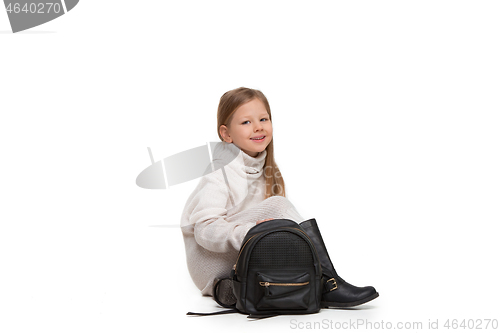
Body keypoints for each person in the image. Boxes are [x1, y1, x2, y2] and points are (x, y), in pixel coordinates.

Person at [180, 87, 378, 307]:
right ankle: (326, 281)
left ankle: (236, 288)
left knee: (281, 232)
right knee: (278, 206)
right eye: (246, 122)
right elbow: (205, 230)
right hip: (210, 259)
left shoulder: (267, 170)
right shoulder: (219, 171)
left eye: (263, 119)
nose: (258, 127)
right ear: (226, 134)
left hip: (244, 255)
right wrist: (252, 232)